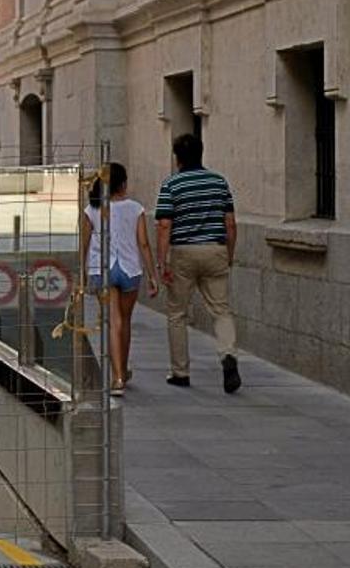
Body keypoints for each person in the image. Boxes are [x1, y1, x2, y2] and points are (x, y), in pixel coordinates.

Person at [156, 134, 240, 393]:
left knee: (177, 314)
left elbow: (164, 224)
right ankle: (228, 357)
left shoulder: (171, 184)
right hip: (215, 250)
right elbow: (230, 222)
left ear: (177, 157)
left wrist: (163, 262)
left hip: (183, 252)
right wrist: (229, 254)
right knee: (221, 310)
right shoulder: (218, 182)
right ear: (201, 153)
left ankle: (180, 372)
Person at [81, 162, 158, 396]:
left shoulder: (92, 209)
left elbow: (83, 243)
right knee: (125, 321)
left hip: (101, 268)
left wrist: (81, 274)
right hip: (129, 269)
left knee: (113, 321)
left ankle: (118, 378)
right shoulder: (135, 208)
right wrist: (153, 274)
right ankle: (122, 368)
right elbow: (143, 243)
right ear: (123, 184)